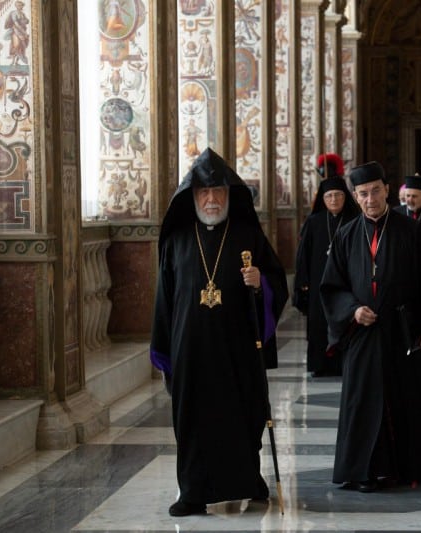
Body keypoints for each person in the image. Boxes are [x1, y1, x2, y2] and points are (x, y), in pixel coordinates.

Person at [150, 148, 289, 516]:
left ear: (229, 195)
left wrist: (260, 284)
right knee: (191, 420)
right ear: (192, 197)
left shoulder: (247, 235)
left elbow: (276, 283)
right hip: (190, 348)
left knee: (242, 414)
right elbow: (164, 299)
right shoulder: (177, 239)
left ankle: (247, 481)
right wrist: (163, 349)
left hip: (237, 346)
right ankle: (192, 493)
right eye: (203, 192)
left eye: (218, 192)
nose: (211, 199)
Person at [320, 161, 421, 493]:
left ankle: (412, 466)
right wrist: (352, 310)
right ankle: (364, 470)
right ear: (355, 197)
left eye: (375, 191)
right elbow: (332, 286)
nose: (370, 199)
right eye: (363, 194)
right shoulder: (346, 235)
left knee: (408, 399)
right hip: (363, 332)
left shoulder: (411, 231)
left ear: (387, 191)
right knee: (363, 401)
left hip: (405, 330)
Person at [293, 176, 360, 377]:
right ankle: (319, 365)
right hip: (318, 283)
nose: (334, 200)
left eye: (338, 195)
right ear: (322, 199)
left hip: (347, 283)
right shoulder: (314, 222)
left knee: (346, 321)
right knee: (319, 323)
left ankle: (346, 364)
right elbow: (303, 255)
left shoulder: (355, 220)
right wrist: (303, 281)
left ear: (345, 197)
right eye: (329, 196)